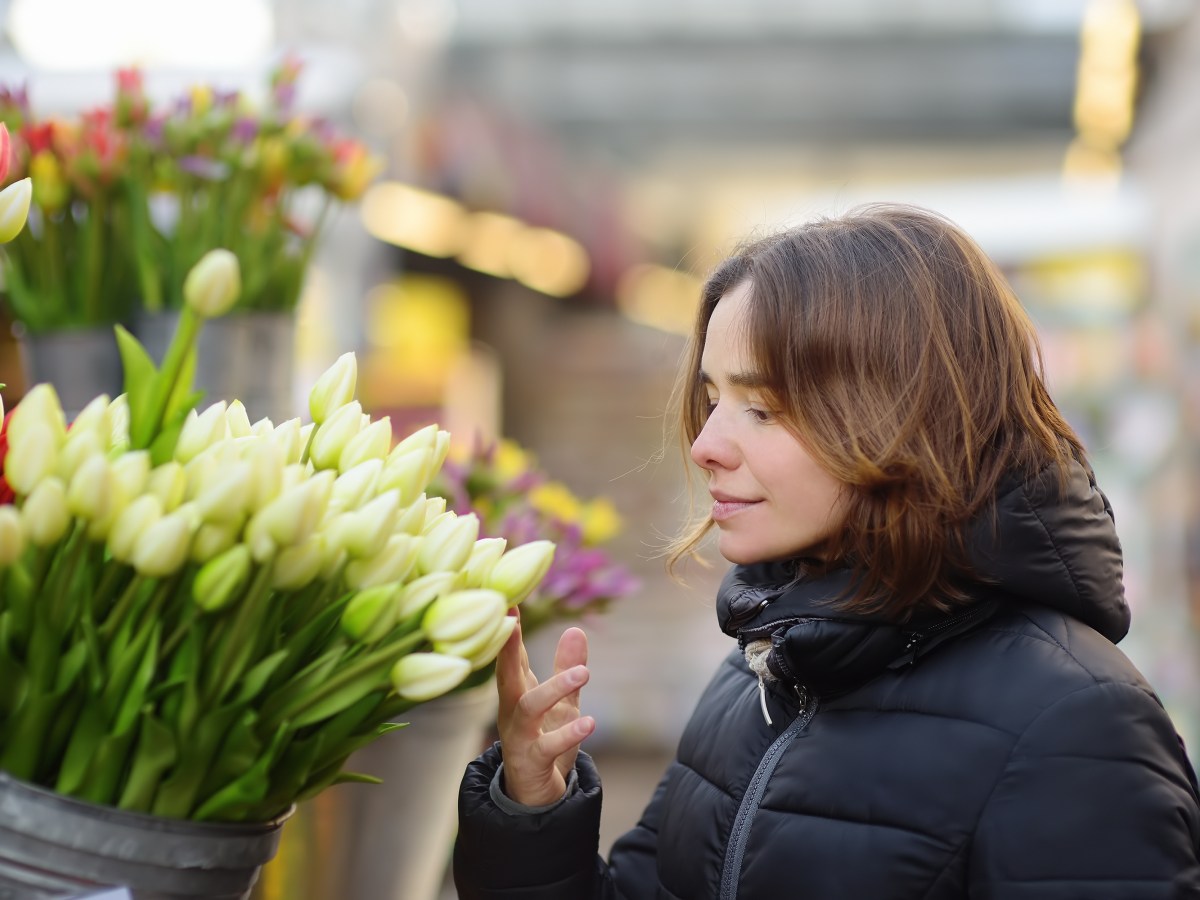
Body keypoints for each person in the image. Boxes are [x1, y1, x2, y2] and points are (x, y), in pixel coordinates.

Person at [453, 204, 1200, 899]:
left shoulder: (1076, 724)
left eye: (763, 409)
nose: (707, 446)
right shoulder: (764, 669)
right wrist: (534, 807)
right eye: (713, 400)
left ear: (903, 417)